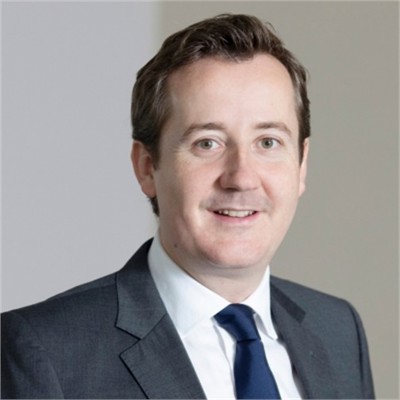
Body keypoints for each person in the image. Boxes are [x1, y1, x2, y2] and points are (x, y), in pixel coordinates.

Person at [1, 14, 375, 399]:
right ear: (147, 167)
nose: (241, 177)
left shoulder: (339, 331)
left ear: (301, 164)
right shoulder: (45, 351)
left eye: (268, 142)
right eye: (207, 143)